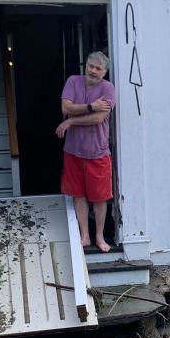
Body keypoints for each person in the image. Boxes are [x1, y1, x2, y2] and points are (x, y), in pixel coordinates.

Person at [55, 51, 116, 252]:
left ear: (104, 72)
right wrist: (90, 106)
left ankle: (99, 236)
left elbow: (98, 119)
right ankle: (85, 235)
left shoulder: (108, 89)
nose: (93, 70)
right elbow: (66, 107)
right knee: (78, 194)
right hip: (73, 151)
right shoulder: (73, 81)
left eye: (98, 68)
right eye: (91, 66)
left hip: (97, 153)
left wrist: (71, 121)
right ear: (86, 66)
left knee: (100, 197)